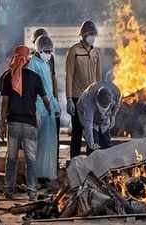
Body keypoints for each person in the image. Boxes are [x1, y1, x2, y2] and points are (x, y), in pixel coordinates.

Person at [0, 46, 51, 200]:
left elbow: (5, 102)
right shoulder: (35, 77)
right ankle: (32, 192)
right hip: (29, 124)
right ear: (28, 61)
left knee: (12, 159)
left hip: (13, 123)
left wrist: (2, 122)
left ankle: (8, 190)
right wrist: (49, 111)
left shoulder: (9, 76)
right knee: (31, 159)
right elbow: (46, 99)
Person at [66, 20, 102, 158]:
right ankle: (74, 163)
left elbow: (99, 78)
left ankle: (90, 164)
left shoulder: (97, 52)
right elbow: (69, 75)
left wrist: (99, 98)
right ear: (83, 35)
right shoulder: (74, 51)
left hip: (92, 99)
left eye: (94, 34)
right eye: (90, 34)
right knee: (77, 132)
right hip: (77, 97)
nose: (92, 37)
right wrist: (69, 99)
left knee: (91, 131)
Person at [28, 35, 60, 182]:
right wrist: (34, 110)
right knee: (39, 145)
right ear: (39, 49)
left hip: (48, 110)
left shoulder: (45, 65)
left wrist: (55, 105)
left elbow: (49, 89)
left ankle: (46, 175)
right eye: (46, 51)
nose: (49, 54)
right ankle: (37, 177)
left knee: (49, 145)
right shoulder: (33, 64)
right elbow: (32, 90)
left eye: (50, 51)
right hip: (39, 109)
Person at [76, 81, 121, 155]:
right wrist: (91, 143)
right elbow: (88, 124)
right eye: (102, 106)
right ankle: (91, 161)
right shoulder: (89, 102)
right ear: (97, 101)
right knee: (94, 140)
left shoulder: (116, 93)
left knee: (106, 141)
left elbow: (117, 106)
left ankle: (107, 162)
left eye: (105, 106)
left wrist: (113, 116)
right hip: (84, 111)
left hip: (106, 116)